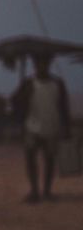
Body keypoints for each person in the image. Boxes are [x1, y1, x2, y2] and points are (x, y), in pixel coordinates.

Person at [11, 53, 71, 202]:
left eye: (45, 63)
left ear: (49, 65)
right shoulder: (28, 83)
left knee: (49, 160)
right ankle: (34, 191)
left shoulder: (58, 83)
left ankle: (47, 191)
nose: (42, 66)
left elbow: (64, 107)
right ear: (35, 65)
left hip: (52, 127)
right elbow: (15, 101)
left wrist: (66, 127)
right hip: (32, 127)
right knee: (31, 160)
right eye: (39, 64)